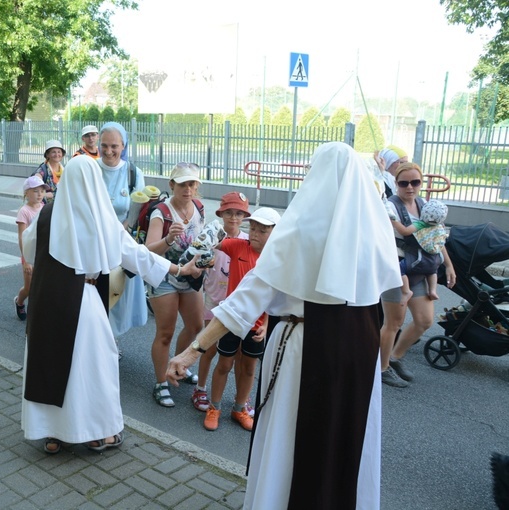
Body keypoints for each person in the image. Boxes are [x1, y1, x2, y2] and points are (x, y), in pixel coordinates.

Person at [167, 141, 401, 510]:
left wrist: (192, 351)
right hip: (360, 348)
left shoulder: (296, 232)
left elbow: (244, 301)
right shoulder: (375, 232)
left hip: (304, 344)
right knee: (346, 433)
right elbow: (392, 295)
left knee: (292, 437)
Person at [20, 156, 201, 455]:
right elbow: (137, 256)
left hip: (47, 302)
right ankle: (96, 435)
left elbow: (29, 247)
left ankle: (52, 435)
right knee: (91, 371)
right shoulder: (101, 217)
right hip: (84, 302)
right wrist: (180, 270)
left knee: (48, 364)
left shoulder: (47, 214)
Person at [203, 206, 281, 433]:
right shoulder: (237, 245)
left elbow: (276, 298)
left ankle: (239, 408)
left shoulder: (277, 259)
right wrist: (206, 240)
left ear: (275, 232)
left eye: (262, 230)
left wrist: (266, 325)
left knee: (248, 368)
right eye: (253, 228)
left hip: (257, 326)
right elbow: (211, 243)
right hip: (231, 320)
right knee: (225, 364)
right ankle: (214, 407)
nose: (254, 233)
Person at [380, 163, 456, 388]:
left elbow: (436, 238)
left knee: (424, 320)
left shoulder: (424, 205)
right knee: (393, 323)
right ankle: (382, 369)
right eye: (404, 183)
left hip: (420, 268)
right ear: (396, 184)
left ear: (421, 184)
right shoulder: (390, 206)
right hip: (398, 269)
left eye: (415, 182)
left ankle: (395, 357)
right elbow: (399, 234)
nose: (410, 187)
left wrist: (449, 266)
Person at [146, 162, 205, 408]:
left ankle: (178, 365)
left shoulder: (199, 207)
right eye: (182, 184)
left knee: (195, 326)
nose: (188, 189)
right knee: (165, 332)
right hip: (164, 278)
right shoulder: (162, 212)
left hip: (190, 277)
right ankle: (161, 383)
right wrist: (169, 238)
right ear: (172, 185)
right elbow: (147, 252)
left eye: (192, 184)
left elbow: (202, 240)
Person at [194, 192, 252, 414]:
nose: (234, 218)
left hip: (238, 307)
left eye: (239, 213)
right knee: (207, 347)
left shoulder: (248, 241)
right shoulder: (211, 237)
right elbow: (198, 261)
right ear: (221, 213)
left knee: (236, 355)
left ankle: (241, 400)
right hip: (214, 302)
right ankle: (200, 388)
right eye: (229, 213)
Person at [98, 121, 147, 337]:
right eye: (104, 145)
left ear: (124, 145)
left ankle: (112, 340)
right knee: (96, 294)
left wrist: (123, 227)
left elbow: (137, 211)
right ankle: (98, 338)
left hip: (121, 244)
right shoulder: (91, 170)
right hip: (97, 243)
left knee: (117, 294)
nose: (109, 151)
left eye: (114, 146)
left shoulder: (133, 173)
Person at [390, 199, 449, 303]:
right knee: (432, 271)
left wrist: (394, 221)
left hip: (418, 259)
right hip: (434, 260)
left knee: (399, 269)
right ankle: (433, 290)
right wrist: (448, 265)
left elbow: (405, 231)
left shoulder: (421, 224)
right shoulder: (440, 227)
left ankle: (406, 291)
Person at [13, 175, 50, 321]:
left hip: (43, 253)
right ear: (26, 193)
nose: (40, 194)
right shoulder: (24, 211)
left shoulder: (45, 208)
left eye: (42, 190)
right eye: (35, 191)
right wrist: (26, 260)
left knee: (41, 286)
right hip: (29, 255)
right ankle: (19, 301)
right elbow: (22, 237)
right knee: (29, 288)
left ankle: (37, 314)